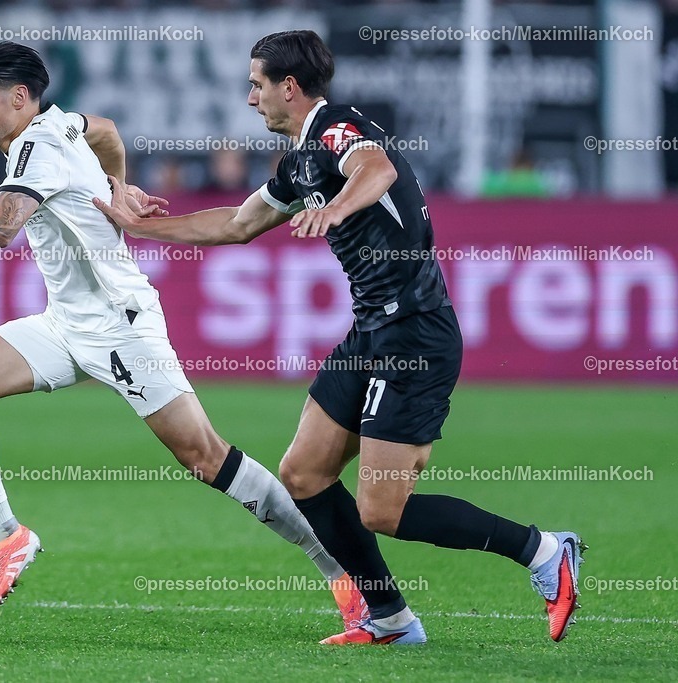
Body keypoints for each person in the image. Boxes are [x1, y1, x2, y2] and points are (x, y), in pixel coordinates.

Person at [0, 41, 366, 628]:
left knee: (204, 456)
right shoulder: (57, 124)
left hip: (121, 326)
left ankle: (339, 569)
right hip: (66, 321)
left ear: (19, 99)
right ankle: (7, 536)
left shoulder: (39, 149)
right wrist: (118, 185)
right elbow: (107, 131)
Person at [95, 30, 585, 646]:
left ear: (289, 87)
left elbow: (374, 168)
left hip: (414, 335)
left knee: (384, 510)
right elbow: (238, 223)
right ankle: (391, 620)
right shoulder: (299, 160)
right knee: (303, 474)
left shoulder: (336, 131)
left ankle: (543, 550)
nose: (251, 99)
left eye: (256, 84)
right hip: (370, 332)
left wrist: (337, 208)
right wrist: (141, 226)